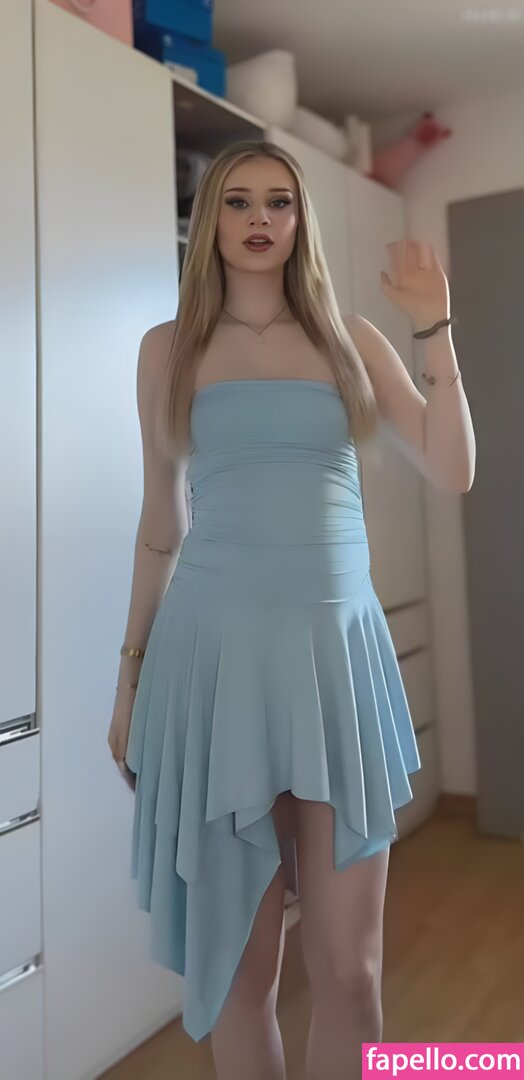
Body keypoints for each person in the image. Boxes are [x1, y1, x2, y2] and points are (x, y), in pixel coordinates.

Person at [107, 139, 475, 1080]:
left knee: (351, 973)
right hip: (211, 667)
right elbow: (161, 524)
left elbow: (451, 467)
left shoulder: (352, 337)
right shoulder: (167, 350)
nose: (260, 218)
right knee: (243, 977)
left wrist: (435, 329)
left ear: (301, 219)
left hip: (335, 663)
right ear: (211, 221)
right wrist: (129, 680)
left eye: (279, 200)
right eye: (237, 201)